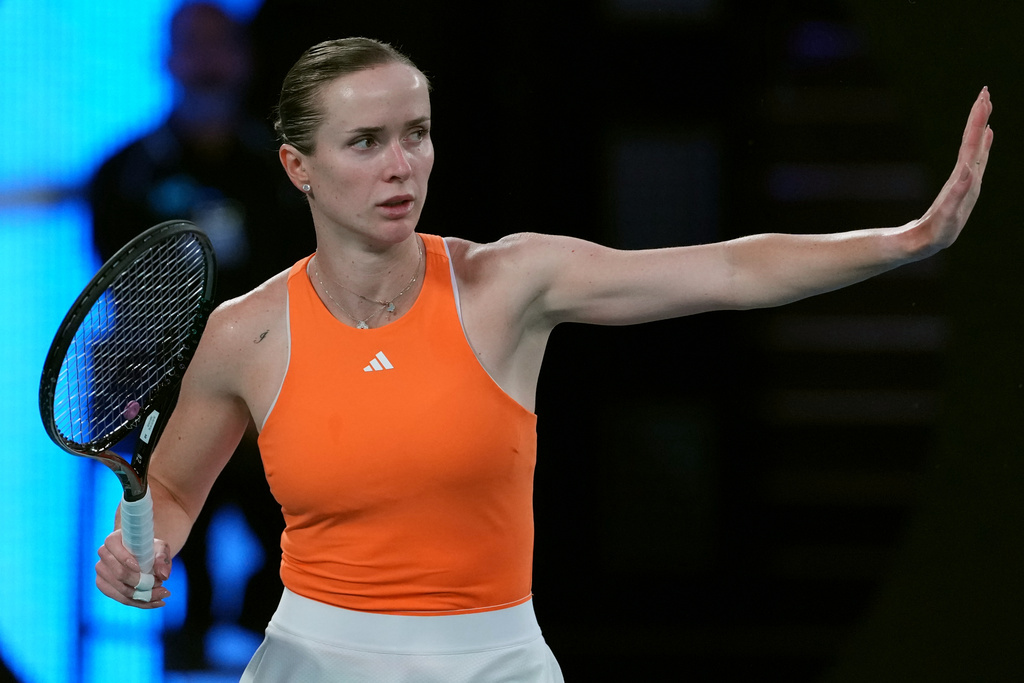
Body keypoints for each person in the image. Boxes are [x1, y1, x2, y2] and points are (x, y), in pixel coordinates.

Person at [93, 37, 993, 682]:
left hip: (497, 658)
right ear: (298, 166)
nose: (401, 165)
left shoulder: (509, 283)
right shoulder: (246, 332)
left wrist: (905, 240)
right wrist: (140, 552)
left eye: (418, 132)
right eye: (365, 143)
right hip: (315, 659)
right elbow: (168, 495)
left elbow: (726, 267)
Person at [89, 1, 312, 669]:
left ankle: (262, 619)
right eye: (194, 46)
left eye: (222, 46)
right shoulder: (124, 173)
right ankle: (189, 631)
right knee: (180, 499)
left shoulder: (289, 173)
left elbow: (311, 291)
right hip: (164, 401)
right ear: (167, 60)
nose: (208, 63)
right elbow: (121, 310)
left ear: (243, 60)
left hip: (274, 397)